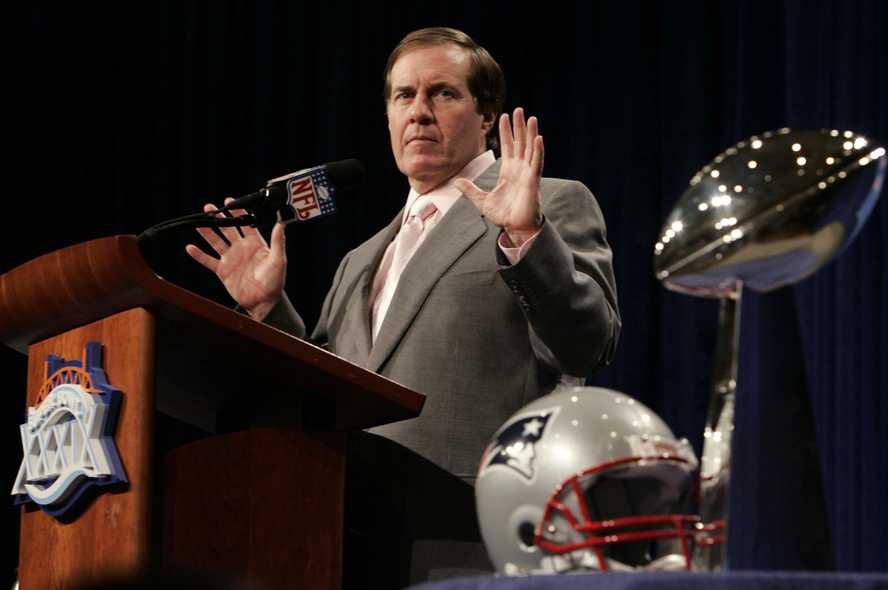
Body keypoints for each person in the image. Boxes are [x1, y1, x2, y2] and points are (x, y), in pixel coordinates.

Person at [187, 27, 620, 584]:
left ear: (486, 116)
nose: (418, 112)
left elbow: (589, 342)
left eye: (442, 93)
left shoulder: (551, 202)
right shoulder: (359, 260)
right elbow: (325, 397)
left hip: (472, 529)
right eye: (403, 96)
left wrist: (526, 236)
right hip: (349, 534)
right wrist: (270, 310)